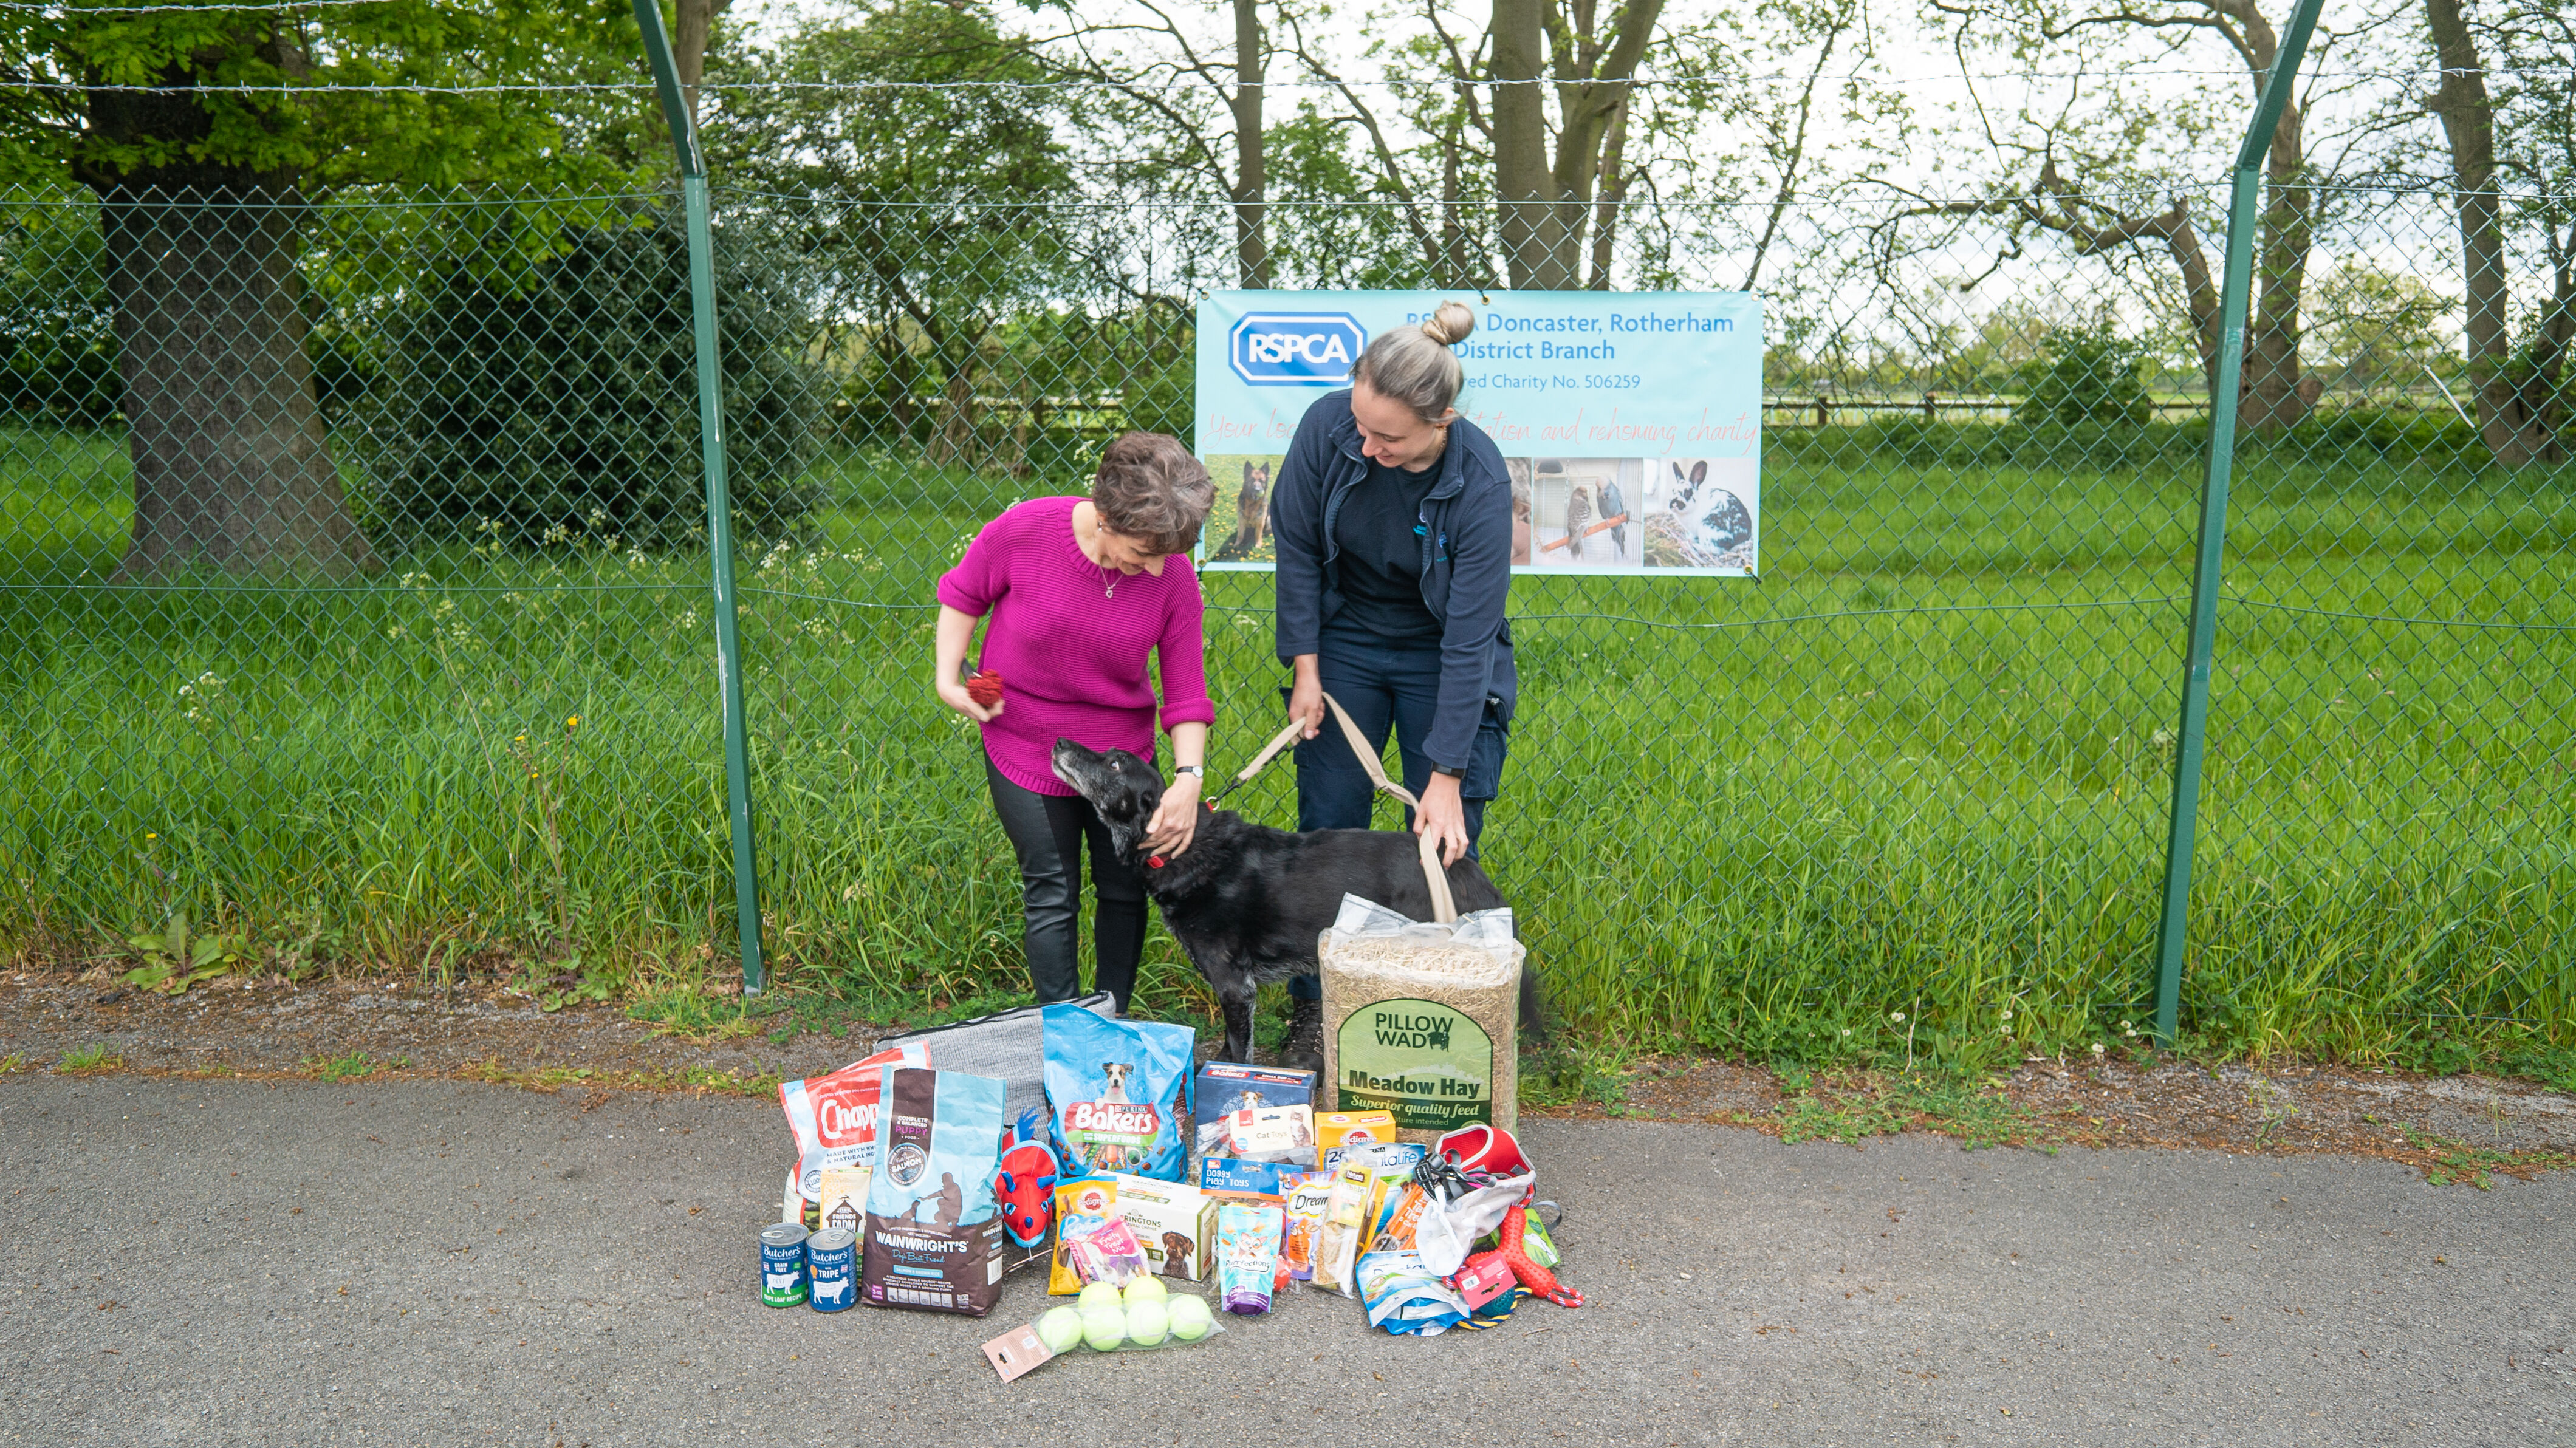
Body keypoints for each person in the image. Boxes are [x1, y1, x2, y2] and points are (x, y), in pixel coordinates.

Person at [1269, 301, 1517, 1068]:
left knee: (1438, 844)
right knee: (1330, 828)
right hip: (1344, 642)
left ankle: (1434, 1018)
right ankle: (1319, 1012)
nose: (1366, 445)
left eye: (1389, 437)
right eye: (1361, 425)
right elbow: (1298, 552)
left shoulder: (1479, 480)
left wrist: (1445, 772)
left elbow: (1470, 635)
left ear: (1441, 420)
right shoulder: (1326, 427)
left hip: (1439, 651)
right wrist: (1306, 672)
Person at [934, 432, 1216, 1013]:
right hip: (1023, 739)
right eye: (1144, 551)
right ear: (1107, 517)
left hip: (1121, 755)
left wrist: (1189, 777)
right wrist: (948, 678)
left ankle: (1109, 1022)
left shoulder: (1174, 578)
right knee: (1052, 891)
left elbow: (1186, 692)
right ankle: (1062, 1029)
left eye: (1168, 554)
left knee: (1123, 890)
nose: (1158, 566)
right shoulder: (1025, 530)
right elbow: (964, 595)